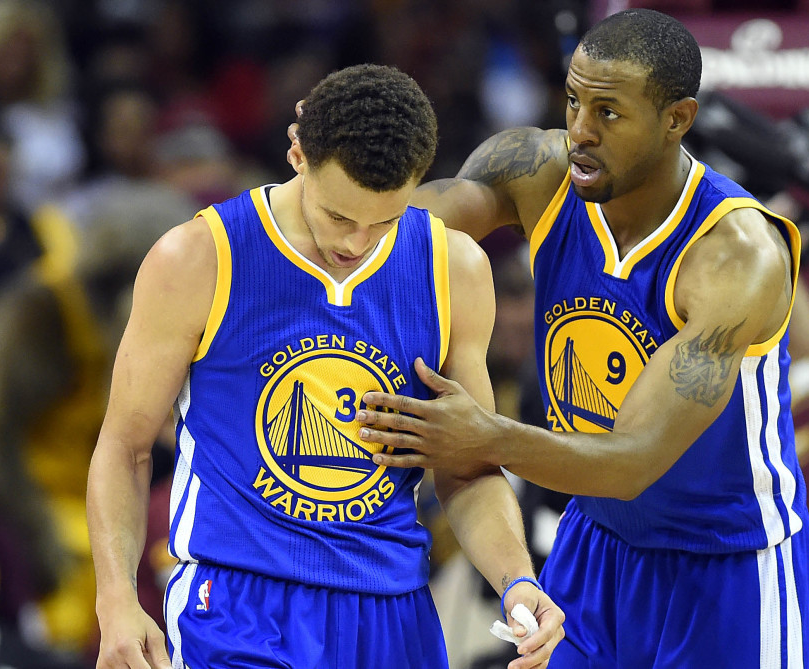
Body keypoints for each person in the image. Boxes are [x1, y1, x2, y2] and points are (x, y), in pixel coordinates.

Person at [354, 9, 809, 668]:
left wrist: (482, 434)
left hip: (728, 567)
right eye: (575, 99)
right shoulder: (533, 169)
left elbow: (630, 462)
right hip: (597, 543)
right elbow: (400, 234)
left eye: (609, 112)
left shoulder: (735, 256)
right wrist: (323, 201)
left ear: (676, 119)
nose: (580, 129)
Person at [86, 64, 563, 669]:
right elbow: (124, 448)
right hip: (239, 605)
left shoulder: (455, 269)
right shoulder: (198, 257)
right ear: (297, 155)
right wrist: (117, 601)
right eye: (340, 217)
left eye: (383, 222)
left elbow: (468, 469)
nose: (357, 243)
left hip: (394, 609)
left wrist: (517, 580)